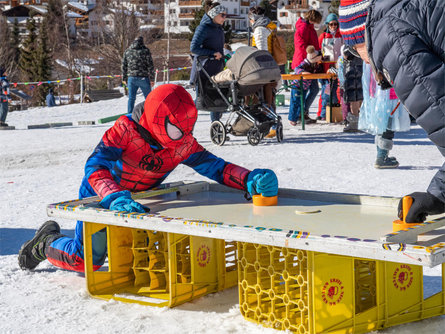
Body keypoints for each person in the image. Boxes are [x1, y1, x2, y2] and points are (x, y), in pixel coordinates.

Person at [18, 84, 278, 272]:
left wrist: (248, 179)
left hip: (142, 202)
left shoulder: (181, 143)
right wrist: (113, 196)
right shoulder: (124, 130)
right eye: (176, 129)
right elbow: (95, 167)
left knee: (142, 260)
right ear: (158, 118)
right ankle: (46, 243)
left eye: (186, 129)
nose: (182, 136)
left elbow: (216, 167)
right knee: (88, 259)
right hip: (99, 198)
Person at [339, 0, 445, 222]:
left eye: (354, 51)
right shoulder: (415, 9)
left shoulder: (390, 36)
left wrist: (439, 195)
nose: (367, 63)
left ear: (362, 34)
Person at [359, 63, 411, 168]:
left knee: (380, 121)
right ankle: (381, 156)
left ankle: (381, 155)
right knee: (388, 120)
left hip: (375, 86)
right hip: (386, 87)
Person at [190, 1, 227, 123]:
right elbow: (194, 48)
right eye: (222, 15)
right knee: (202, 100)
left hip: (216, 68)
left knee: (216, 99)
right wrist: (212, 53)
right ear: (214, 14)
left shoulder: (219, 29)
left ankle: (216, 127)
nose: (224, 18)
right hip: (203, 70)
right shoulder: (203, 28)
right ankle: (186, 125)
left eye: (225, 15)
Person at [248, 5, 280, 138]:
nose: (249, 21)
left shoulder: (259, 30)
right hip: (271, 66)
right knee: (269, 97)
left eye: (250, 18)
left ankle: (272, 126)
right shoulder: (268, 26)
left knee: (264, 98)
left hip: (263, 68)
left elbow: (262, 51)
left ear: (254, 18)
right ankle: (272, 125)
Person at [291, 9, 323, 124]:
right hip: (303, 64)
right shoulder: (303, 28)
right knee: (302, 90)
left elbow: (314, 45)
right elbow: (301, 46)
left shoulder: (310, 28)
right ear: (313, 19)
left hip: (310, 63)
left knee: (314, 89)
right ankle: (300, 114)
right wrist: (312, 56)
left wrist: (318, 54)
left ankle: (303, 112)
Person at [288, 46, 323, 126]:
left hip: (304, 87)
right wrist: (303, 72)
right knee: (295, 102)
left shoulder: (314, 65)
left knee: (301, 102)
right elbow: (297, 69)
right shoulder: (305, 63)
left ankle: (300, 117)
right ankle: (292, 119)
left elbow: (317, 70)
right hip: (297, 86)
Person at [317, 13, 342, 120]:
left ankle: (336, 111)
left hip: (338, 66)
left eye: (335, 24)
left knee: (337, 89)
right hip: (326, 67)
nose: (333, 26)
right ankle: (322, 113)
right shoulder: (323, 36)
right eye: (331, 24)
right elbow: (318, 50)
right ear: (327, 24)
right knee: (326, 90)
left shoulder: (340, 35)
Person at [122, 36, 155, 114]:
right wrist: (152, 79)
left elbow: (124, 66)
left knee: (131, 98)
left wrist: (124, 78)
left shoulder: (127, 51)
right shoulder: (145, 51)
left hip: (131, 78)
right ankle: (150, 114)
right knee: (148, 98)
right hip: (143, 77)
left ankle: (129, 115)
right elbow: (150, 65)